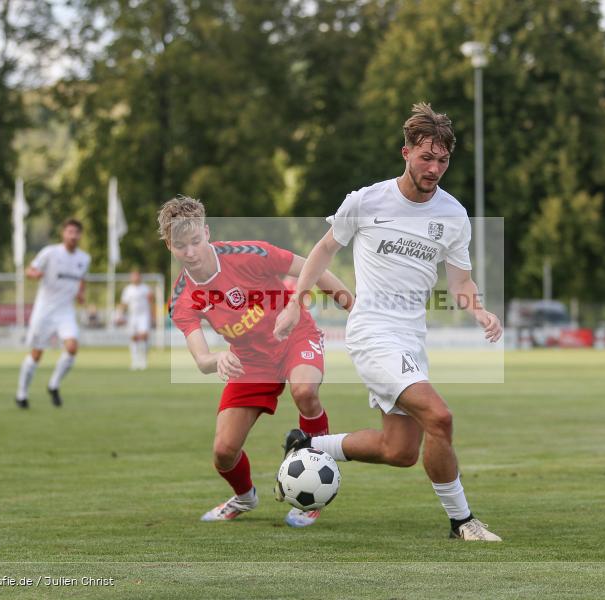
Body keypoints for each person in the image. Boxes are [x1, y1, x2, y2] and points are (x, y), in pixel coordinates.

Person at [273, 103, 504, 542]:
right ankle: (462, 522)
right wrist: (294, 303)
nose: (434, 168)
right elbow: (322, 250)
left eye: (442, 160)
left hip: (411, 339)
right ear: (406, 153)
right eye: (426, 158)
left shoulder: (454, 215)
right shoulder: (366, 200)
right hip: (371, 332)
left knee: (398, 451)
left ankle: (308, 445)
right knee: (441, 417)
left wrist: (479, 310)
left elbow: (461, 280)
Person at [160, 196, 353, 528]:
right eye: (181, 246)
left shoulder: (248, 254)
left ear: (206, 232)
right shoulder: (182, 299)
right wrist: (216, 359)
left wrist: (355, 309)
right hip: (249, 361)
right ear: (169, 245)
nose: (190, 252)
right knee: (223, 451)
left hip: (294, 336)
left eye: (195, 241)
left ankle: (312, 493)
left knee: (305, 392)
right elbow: (202, 358)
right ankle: (245, 497)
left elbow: (312, 266)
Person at [15, 218, 91, 409]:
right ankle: (21, 394)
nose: (73, 236)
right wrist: (34, 274)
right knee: (36, 354)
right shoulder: (50, 253)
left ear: (80, 235)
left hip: (66, 311)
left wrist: (81, 293)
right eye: (70, 232)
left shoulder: (84, 258)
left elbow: (81, 279)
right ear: (63, 234)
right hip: (45, 311)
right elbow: (30, 270)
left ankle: (53, 385)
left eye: (76, 232)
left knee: (72, 347)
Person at [118, 270, 154, 370]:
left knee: (143, 336)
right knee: (133, 337)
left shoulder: (146, 289)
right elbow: (124, 303)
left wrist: (153, 315)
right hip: (132, 316)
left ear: (140, 277)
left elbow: (151, 302)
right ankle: (135, 361)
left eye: (136, 276)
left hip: (144, 315)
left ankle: (143, 360)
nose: (135, 278)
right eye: (133, 276)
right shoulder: (128, 290)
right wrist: (119, 315)